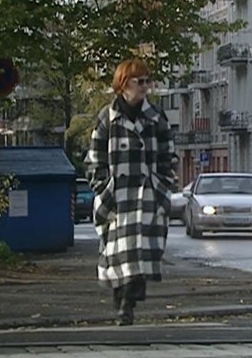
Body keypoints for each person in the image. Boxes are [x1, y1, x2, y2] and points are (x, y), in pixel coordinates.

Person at [85, 59, 176, 326]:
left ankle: (127, 306)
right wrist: (104, 187)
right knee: (119, 257)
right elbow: (94, 158)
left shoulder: (156, 117)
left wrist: (161, 185)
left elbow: (168, 155)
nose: (146, 87)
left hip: (148, 198)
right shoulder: (108, 118)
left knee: (141, 256)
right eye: (140, 82)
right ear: (124, 84)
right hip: (118, 199)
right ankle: (122, 303)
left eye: (148, 81)